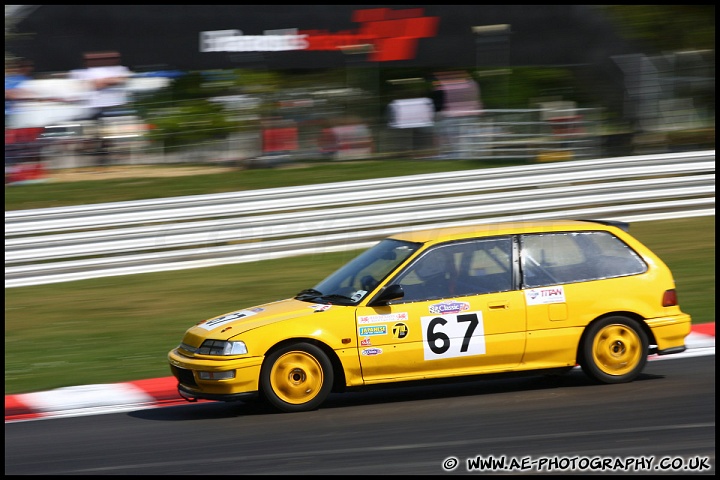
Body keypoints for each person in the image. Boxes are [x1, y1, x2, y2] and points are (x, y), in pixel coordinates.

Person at [69, 51, 132, 167]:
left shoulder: (121, 69)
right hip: (91, 108)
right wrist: (109, 81)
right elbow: (93, 85)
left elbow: (122, 79)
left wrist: (102, 82)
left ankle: (105, 155)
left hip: (112, 107)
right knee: (93, 135)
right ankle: (95, 155)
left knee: (106, 134)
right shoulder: (81, 72)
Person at [433, 70, 482, 159]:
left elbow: (444, 100)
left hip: (454, 115)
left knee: (454, 136)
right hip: (470, 114)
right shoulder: (473, 84)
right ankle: (468, 153)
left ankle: (460, 154)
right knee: (465, 135)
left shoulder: (446, 86)